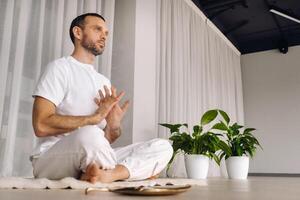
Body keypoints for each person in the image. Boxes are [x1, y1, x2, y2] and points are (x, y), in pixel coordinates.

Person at [30, 13, 173, 183]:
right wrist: (94, 118)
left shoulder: (103, 81)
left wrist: (113, 126)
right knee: (90, 133)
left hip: (91, 155)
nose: (104, 36)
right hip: (52, 158)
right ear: (78, 33)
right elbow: (41, 125)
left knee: (163, 147)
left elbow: (104, 142)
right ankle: (129, 173)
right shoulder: (59, 68)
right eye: (98, 29)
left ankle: (107, 175)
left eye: (106, 33)